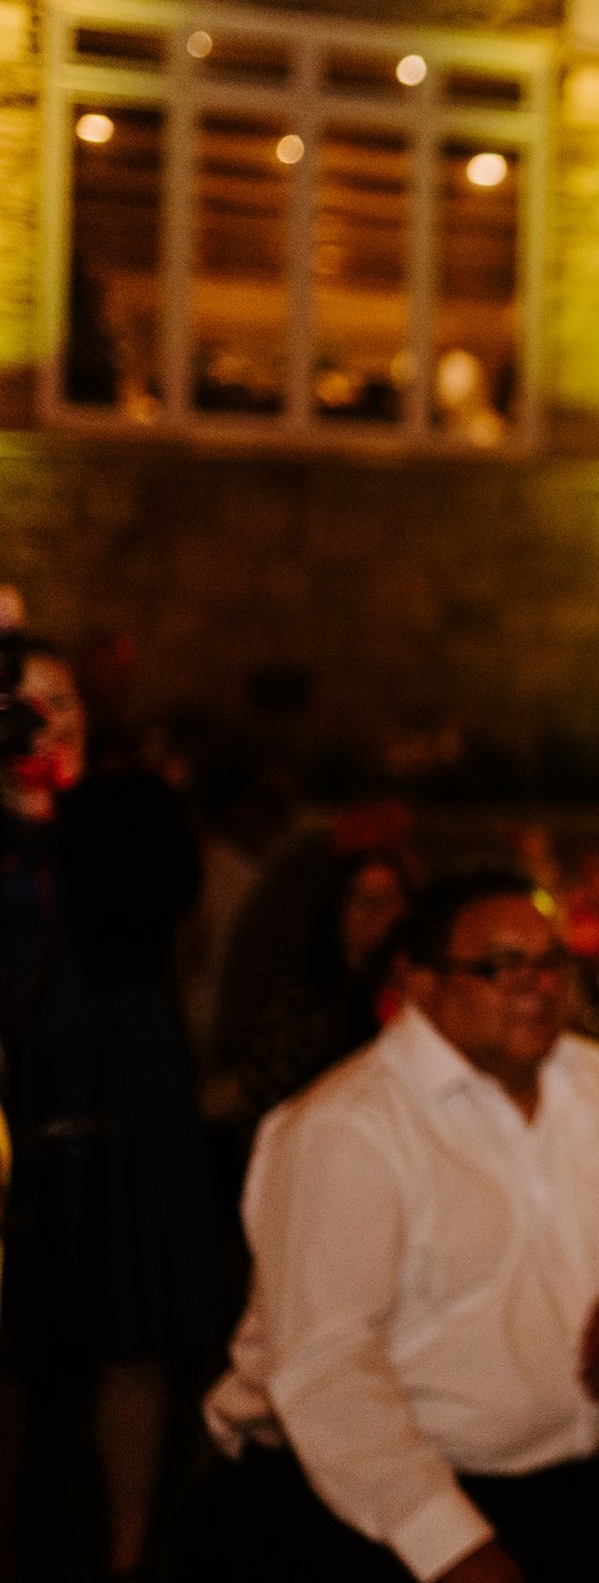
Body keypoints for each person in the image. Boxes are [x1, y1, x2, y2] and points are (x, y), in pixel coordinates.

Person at [201, 869, 599, 1583]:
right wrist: (453, 1547)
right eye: (500, 965)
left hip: (561, 1485)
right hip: (365, 1508)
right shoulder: (351, 1126)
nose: (538, 983)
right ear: (419, 981)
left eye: (550, 960)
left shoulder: (591, 1079)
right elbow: (328, 1370)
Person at [0, 630, 225, 1582]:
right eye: (18, 704)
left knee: (130, 1333)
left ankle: (128, 1553)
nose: (39, 721)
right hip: (14, 1095)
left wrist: (73, 802)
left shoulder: (126, 810)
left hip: (119, 1082)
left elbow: (163, 909)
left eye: (61, 702)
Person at [202, 847, 412, 1135]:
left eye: (389, 900)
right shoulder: (297, 999)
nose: (379, 913)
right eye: (365, 900)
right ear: (337, 908)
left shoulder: (413, 993)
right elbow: (273, 1097)